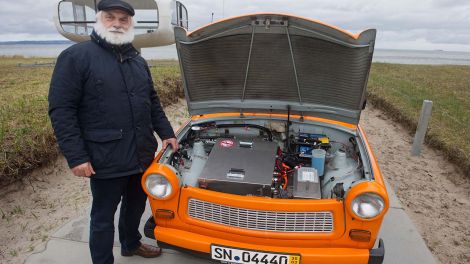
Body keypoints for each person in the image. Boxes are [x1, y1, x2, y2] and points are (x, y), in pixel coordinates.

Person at [48, 0, 178, 263]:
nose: (117, 24)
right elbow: (62, 110)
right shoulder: (76, 57)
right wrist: (76, 157)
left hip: (142, 152)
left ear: (131, 24)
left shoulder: (137, 60)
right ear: (99, 20)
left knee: (136, 206)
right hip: (104, 156)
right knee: (103, 216)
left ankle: (131, 243)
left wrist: (167, 132)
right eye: (110, 17)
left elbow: (151, 100)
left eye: (123, 19)